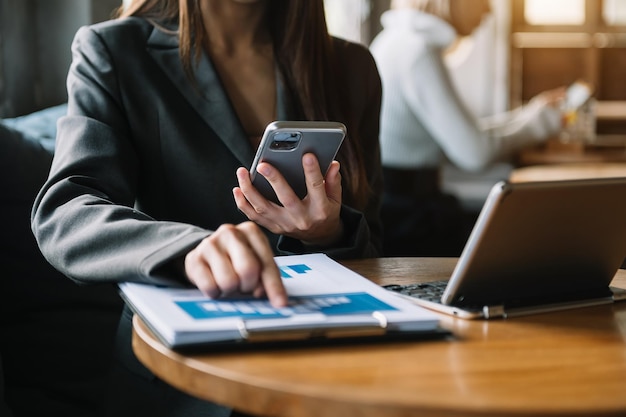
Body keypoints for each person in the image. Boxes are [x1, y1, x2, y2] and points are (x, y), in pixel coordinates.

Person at [30, 1, 383, 416]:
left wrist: (327, 234)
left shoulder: (350, 66)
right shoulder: (112, 51)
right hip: (178, 383)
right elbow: (66, 211)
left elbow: (377, 244)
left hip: (323, 374)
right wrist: (187, 249)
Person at [369, 0, 565, 257]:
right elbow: (475, 153)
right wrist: (541, 124)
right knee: (535, 245)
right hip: (409, 220)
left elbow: (467, 135)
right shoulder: (418, 53)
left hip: (396, 207)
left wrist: (532, 114)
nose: (488, 11)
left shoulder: (395, 40)